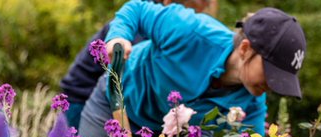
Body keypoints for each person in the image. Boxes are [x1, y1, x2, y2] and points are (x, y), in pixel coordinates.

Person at [71, 0, 306, 137]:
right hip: (117, 103)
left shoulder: (252, 102)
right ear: (245, 49)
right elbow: (137, 9)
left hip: (183, 132)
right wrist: (119, 37)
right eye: (271, 72)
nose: (273, 85)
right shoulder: (191, 31)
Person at [59, 0, 214, 130]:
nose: (199, 13)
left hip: (114, 100)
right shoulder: (143, 26)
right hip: (83, 97)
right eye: (196, 6)